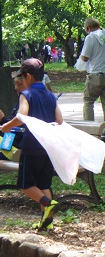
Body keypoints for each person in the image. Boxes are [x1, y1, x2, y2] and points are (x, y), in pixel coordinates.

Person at [1, 58, 63, 230]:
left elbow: (22, 116)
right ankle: (46, 222)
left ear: (27, 76)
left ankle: (48, 204)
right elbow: (59, 120)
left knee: (25, 185)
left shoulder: (26, 95)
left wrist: (6, 127)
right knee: (44, 184)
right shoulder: (51, 96)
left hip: (32, 146)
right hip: (48, 147)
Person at [80, 17, 105, 138]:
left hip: (96, 74)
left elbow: (85, 57)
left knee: (88, 101)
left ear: (88, 28)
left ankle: (90, 131)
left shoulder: (90, 37)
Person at [0, 73, 27, 160]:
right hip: (9, 139)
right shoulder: (20, 101)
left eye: (19, 84)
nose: (16, 88)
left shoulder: (27, 101)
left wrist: (3, 119)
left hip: (17, 144)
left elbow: (21, 123)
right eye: (15, 84)